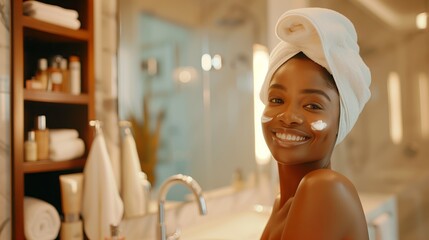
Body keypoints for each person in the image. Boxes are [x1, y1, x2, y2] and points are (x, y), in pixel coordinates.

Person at [259, 8, 371, 240]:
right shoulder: (282, 202)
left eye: (312, 106)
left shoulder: (323, 188)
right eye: (277, 100)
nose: (288, 116)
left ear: (341, 119)